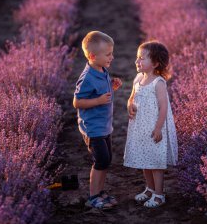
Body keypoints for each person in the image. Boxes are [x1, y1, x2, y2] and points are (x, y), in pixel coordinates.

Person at [124, 40, 178, 208]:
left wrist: (158, 128)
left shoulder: (158, 83)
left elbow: (163, 108)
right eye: (137, 57)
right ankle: (150, 188)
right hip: (139, 127)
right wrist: (129, 106)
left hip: (154, 128)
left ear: (155, 63)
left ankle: (159, 194)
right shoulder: (138, 78)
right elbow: (132, 97)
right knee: (144, 160)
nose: (137, 61)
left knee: (155, 162)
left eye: (142, 58)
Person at [73, 31, 122, 209]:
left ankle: (101, 193)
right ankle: (93, 197)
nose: (112, 57)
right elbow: (77, 102)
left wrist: (112, 85)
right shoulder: (87, 78)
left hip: (104, 126)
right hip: (93, 128)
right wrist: (98, 101)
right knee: (100, 161)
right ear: (93, 56)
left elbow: (102, 91)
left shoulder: (101, 69)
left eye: (111, 53)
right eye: (108, 54)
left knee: (106, 160)